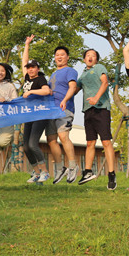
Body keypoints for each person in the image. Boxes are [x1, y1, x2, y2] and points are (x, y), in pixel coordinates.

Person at [75, 49, 116, 190]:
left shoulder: (99, 68)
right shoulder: (83, 74)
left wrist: (96, 98)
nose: (90, 57)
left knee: (106, 141)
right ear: (84, 59)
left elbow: (105, 83)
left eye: (93, 55)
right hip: (88, 110)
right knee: (90, 142)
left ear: (96, 59)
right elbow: (75, 89)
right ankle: (87, 172)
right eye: (87, 55)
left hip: (101, 108)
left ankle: (111, 175)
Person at [20, 35, 52, 183]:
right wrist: (27, 45)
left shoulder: (40, 79)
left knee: (33, 144)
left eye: (33, 67)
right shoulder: (27, 77)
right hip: (28, 116)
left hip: (40, 114)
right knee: (26, 146)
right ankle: (36, 172)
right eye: (29, 68)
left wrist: (31, 92)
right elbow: (24, 61)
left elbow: (47, 91)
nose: (30, 69)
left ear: (37, 69)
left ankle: (45, 172)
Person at [46, 45, 79, 184]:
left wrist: (65, 100)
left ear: (67, 57)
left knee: (63, 135)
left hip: (64, 108)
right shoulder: (53, 74)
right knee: (51, 140)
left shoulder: (70, 71)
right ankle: (60, 168)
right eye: (57, 55)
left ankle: (73, 166)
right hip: (50, 110)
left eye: (62, 54)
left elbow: (72, 87)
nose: (59, 57)